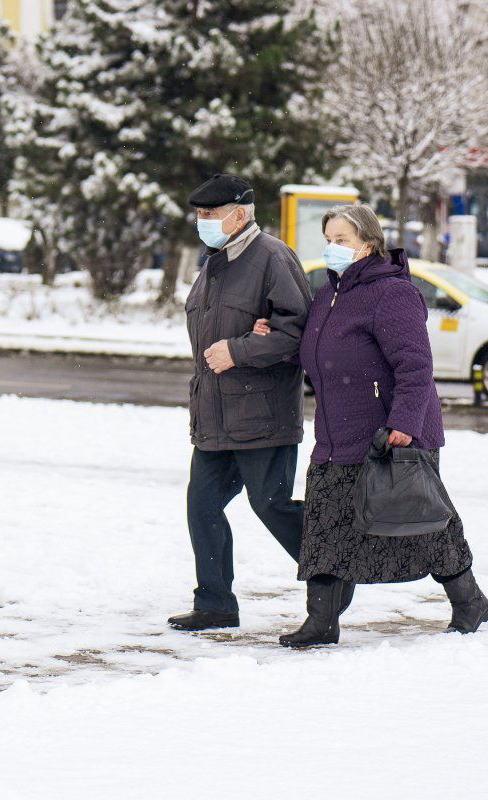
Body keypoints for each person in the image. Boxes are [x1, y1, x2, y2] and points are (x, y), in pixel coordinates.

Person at [253, 204, 488, 647]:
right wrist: (279, 344)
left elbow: (416, 366)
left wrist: (403, 422)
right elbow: (320, 355)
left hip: (391, 436)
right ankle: (321, 622)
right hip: (335, 435)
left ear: (368, 242)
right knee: (325, 526)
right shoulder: (328, 294)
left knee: (423, 524)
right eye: (327, 239)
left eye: (341, 240)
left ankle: (469, 601)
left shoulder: (392, 293)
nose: (332, 248)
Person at [167, 173, 313, 631]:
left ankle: (333, 569)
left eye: (209, 214)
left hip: (262, 413)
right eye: (199, 215)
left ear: (238, 214)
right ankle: (214, 604)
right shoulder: (214, 262)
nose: (202, 222)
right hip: (214, 415)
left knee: (271, 504)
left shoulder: (272, 257)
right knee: (202, 506)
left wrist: (241, 349)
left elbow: (298, 332)